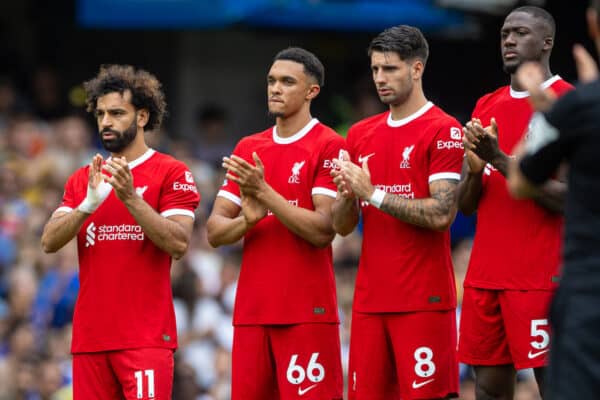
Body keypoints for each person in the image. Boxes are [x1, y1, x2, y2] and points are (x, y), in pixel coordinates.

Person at [40, 65, 200, 400]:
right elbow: (49, 241)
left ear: (142, 117)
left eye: (116, 113)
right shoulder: (85, 178)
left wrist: (130, 198)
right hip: (90, 342)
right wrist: (86, 205)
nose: (105, 122)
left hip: (144, 340)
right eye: (100, 114)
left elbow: (179, 242)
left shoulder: (170, 172)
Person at [331, 25, 463, 400]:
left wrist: (373, 194)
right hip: (371, 302)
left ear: (417, 68)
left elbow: (441, 214)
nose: (379, 79)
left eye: (389, 69)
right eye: (375, 70)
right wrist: (346, 196)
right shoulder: (359, 134)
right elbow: (343, 226)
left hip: (424, 301)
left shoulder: (443, 129)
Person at [206, 47, 344, 400]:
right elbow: (215, 230)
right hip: (252, 311)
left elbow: (322, 229)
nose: (275, 89)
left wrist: (265, 195)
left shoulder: (329, 145)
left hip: (306, 312)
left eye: (287, 81)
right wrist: (247, 223)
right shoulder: (250, 147)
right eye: (271, 81)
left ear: (312, 91)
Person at [456, 6, 573, 399]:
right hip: (486, 276)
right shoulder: (485, 106)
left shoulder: (569, 104)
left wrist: (499, 159)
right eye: (505, 33)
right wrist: (473, 171)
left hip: (542, 277)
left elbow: (572, 200)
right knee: (487, 389)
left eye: (520, 32)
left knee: (555, 387)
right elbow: (467, 205)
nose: (508, 39)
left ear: (546, 42)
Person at [507, 2, 600, 399]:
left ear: (593, 26)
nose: (509, 40)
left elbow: (520, 183)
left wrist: (545, 113)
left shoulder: (580, 105)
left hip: (588, 289)